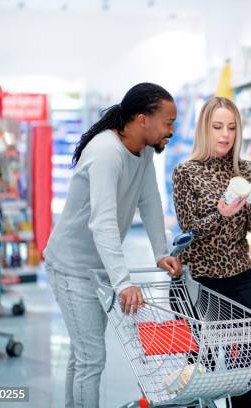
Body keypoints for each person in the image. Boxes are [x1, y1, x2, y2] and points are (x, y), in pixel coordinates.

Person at [43, 83, 182, 408]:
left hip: (98, 267)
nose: (172, 130)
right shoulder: (106, 152)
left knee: (83, 355)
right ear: (141, 119)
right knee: (91, 359)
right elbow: (102, 222)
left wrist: (161, 252)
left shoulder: (144, 150)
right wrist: (123, 282)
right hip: (72, 267)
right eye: (167, 122)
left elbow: (149, 199)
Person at [172, 96, 251, 407]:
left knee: (245, 367)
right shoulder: (185, 172)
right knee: (205, 367)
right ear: (204, 128)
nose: (225, 135)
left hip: (240, 278)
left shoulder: (246, 168)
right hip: (201, 282)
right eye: (217, 127)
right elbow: (188, 229)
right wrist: (221, 214)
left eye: (231, 127)